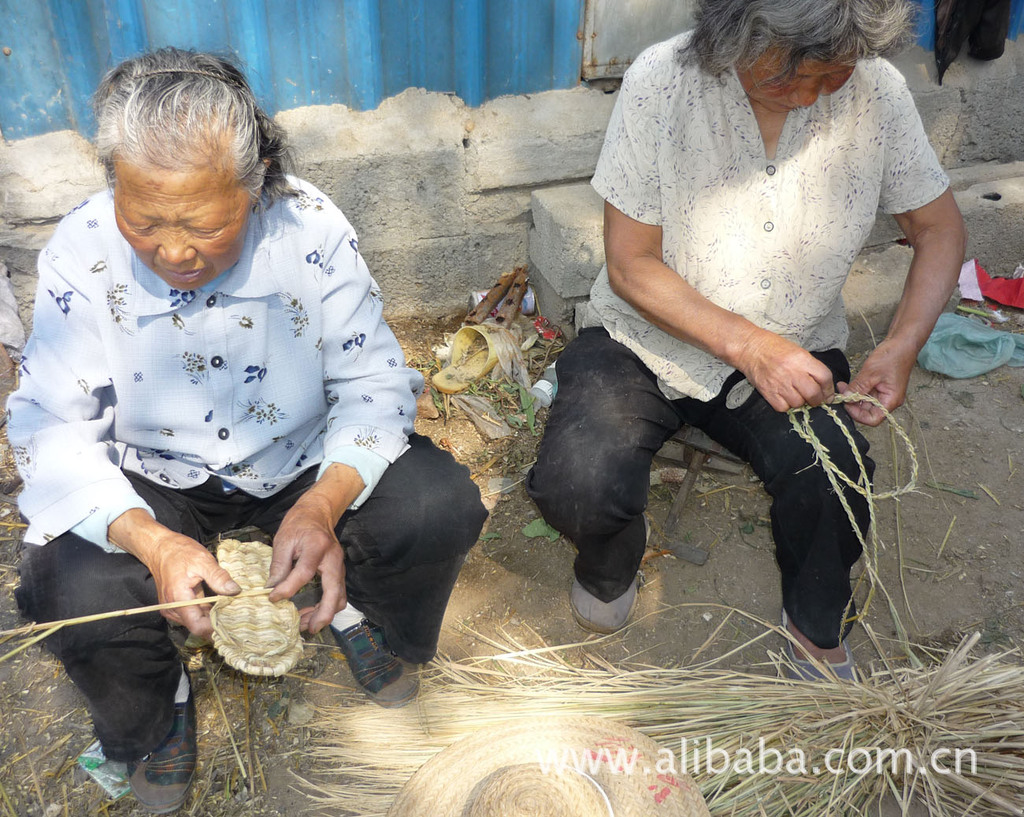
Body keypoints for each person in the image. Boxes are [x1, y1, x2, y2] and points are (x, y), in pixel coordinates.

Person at [10, 48, 486, 814]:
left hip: (297, 461)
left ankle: (360, 611)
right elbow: (49, 427)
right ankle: (158, 706)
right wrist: (153, 542)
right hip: (152, 480)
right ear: (113, 188)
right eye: (144, 219)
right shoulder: (82, 250)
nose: (172, 249)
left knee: (436, 504)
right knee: (61, 582)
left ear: (256, 180)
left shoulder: (310, 227)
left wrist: (323, 504)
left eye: (202, 222)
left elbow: (373, 385)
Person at [527, 0, 966, 680]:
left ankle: (815, 626)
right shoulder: (660, 81)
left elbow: (939, 230)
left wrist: (903, 342)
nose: (810, 96)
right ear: (733, 39)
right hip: (644, 340)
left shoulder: (879, 93)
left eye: (832, 77)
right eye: (789, 78)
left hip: (793, 344)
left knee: (835, 480)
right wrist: (747, 345)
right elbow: (631, 263)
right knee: (575, 482)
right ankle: (611, 561)